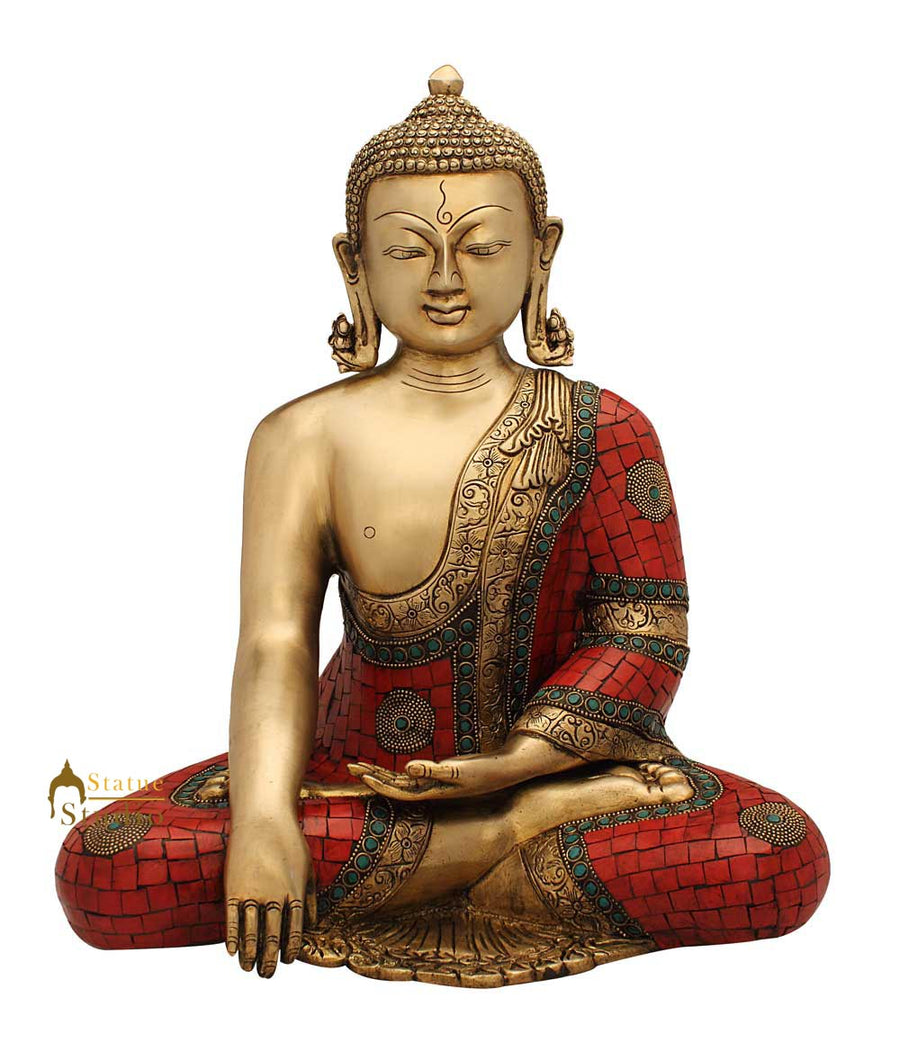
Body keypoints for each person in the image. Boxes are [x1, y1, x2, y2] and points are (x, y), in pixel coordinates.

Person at [56, 66, 829, 987]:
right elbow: (273, 643)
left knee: (775, 852)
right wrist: (263, 822)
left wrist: (517, 766)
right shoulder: (301, 437)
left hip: (558, 773)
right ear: (354, 265)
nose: (448, 280)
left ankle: (472, 843)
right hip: (349, 780)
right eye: (409, 249)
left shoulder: (603, 429)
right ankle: (501, 849)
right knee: (105, 869)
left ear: (541, 252)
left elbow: (644, 635)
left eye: (483, 246)